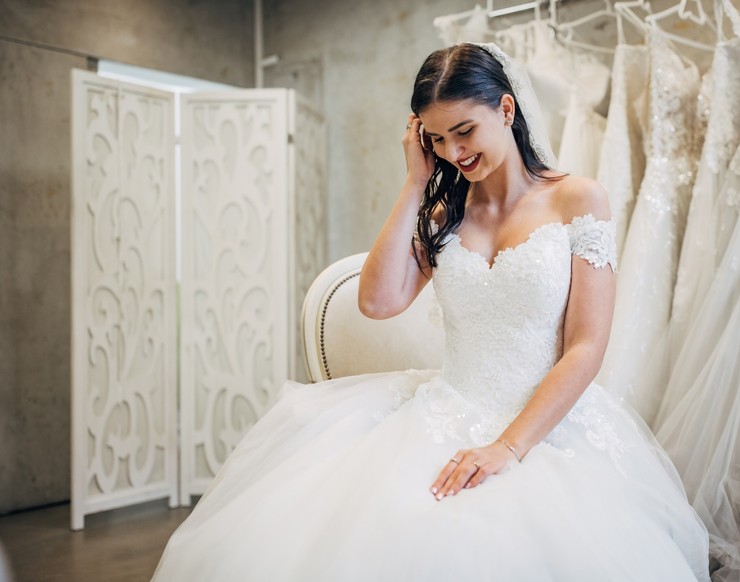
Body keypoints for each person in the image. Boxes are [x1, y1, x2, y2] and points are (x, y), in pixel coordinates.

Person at [151, 43, 709, 581]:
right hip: (447, 412)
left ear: (506, 109)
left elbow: (586, 346)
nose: (453, 152)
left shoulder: (578, 200)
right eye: (437, 139)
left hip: (547, 427)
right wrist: (416, 182)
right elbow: (377, 300)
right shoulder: (444, 212)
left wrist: (507, 447)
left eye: (464, 131)